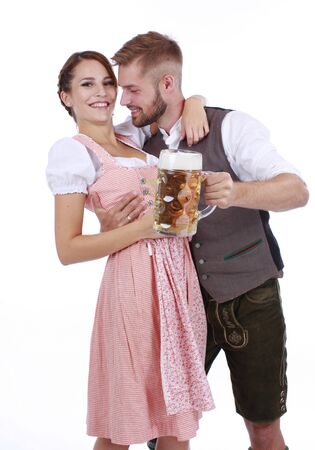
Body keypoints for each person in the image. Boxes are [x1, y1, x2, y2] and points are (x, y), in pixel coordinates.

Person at [94, 32, 309, 450]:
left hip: (251, 297)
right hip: (177, 303)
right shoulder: (135, 138)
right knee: (166, 430)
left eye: (133, 90)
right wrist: (103, 215)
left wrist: (238, 192)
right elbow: (92, 154)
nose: (125, 101)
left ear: (167, 84)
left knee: (263, 429)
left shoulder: (232, 126)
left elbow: (297, 190)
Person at [46, 50, 216, 450]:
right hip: (134, 288)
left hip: (179, 282)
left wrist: (196, 102)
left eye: (108, 82)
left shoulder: (134, 136)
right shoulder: (73, 152)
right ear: (65, 97)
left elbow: (171, 102)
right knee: (123, 421)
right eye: (87, 84)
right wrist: (143, 227)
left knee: (176, 420)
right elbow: (68, 249)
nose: (102, 92)